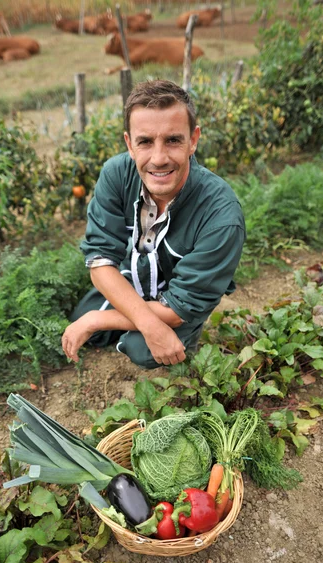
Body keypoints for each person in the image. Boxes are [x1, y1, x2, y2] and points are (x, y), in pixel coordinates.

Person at [62, 79, 245, 369]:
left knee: (143, 351)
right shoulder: (116, 174)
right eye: (145, 141)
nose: (159, 159)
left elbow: (177, 307)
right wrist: (147, 321)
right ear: (129, 144)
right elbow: (100, 261)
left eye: (173, 140)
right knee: (83, 322)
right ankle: (136, 308)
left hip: (178, 296)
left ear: (193, 140)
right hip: (136, 277)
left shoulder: (222, 215)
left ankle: (192, 329)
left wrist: (99, 319)